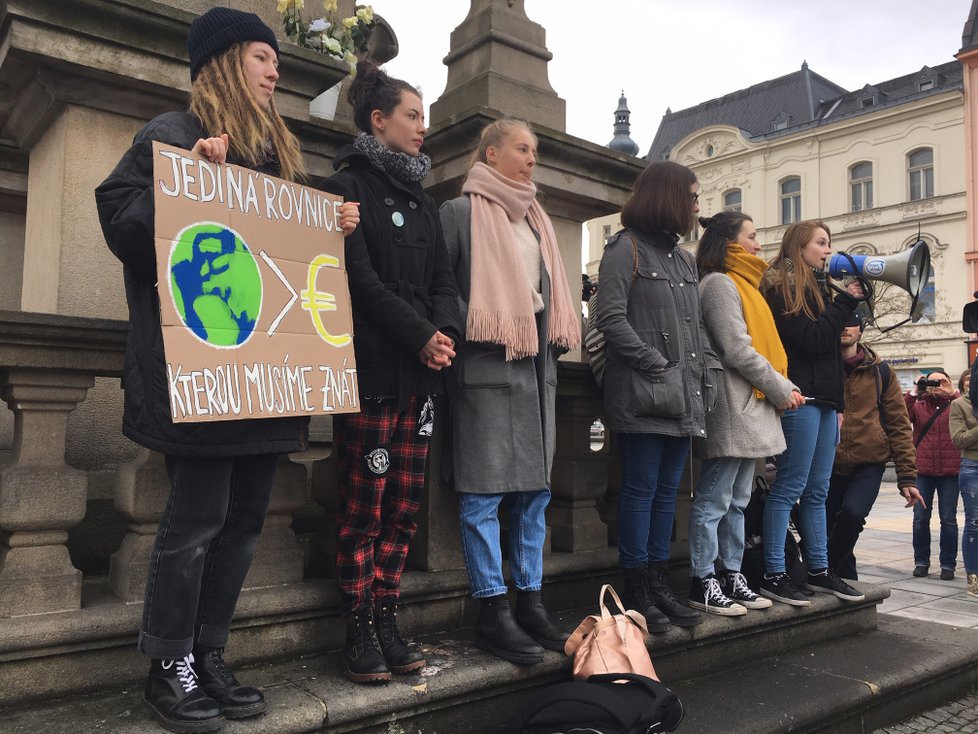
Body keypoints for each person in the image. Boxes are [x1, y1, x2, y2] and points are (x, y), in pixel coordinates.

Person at [95, 9, 358, 732]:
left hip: (263, 381)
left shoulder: (278, 156)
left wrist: (324, 230)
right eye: (260, 57)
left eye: (276, 59)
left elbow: (286, 268)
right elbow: (119, 220)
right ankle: (168, 663)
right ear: (221, 62)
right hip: (202, 377)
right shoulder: (172, 134)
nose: (276, 70)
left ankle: (209, 653)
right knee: (196, 521)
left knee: (243, 523)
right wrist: (182, 184)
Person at [323, 62, 461, 684]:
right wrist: (420, 336)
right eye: (413, 115)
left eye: (424, 117)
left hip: (421, 380)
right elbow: (359, 282)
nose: (423, 127)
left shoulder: (424, 202)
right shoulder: (346, 185)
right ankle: (357, 625)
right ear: (378, 120)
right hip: (373, 372)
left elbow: (444, 282)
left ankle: (387, 616)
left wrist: (445, 335)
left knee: (404, 505)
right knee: (364, 505)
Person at [438, 119, 580, 664]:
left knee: (534, 497)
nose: (532, 159)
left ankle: (530, 602)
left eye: (535, 150)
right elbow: (443, 293)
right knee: (482, 498)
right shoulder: (459, 214)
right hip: (484, 373)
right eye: (523, 148)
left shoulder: (538, 221)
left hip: (536, 376)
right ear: (491, 153)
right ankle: (492, 611)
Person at [594, 160, 721, 631]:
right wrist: (656, 364)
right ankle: (637, 588)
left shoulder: (683, 259)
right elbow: (608, 318)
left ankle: (658, 581)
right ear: (669, 197)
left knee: (668, 493)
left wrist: (703, 367)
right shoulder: (623, 250)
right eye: (691, 196)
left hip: (683, 396)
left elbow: (698, 329)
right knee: (641, 492)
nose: (696, 206)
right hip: (644, 396)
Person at [689, 211, 803, 616]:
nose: (759, 244)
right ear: (730, 242)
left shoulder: (745, 285)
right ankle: (704, 577)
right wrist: (780, 386)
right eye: (752, 236)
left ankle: (731, 573)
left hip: (750, 404)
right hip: (733, 404)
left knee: (737, 499)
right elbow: (736, 348)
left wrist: (776, 387)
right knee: (716, 496)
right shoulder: (719, 284)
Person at [759, 220, 866, 606]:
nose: (827, 250)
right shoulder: (781, 287)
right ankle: (775, 572)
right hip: (800, 397)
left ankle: (819, 569)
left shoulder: (819, 287)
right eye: (820, 243)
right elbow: (815, 339)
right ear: (799, 245)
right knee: (790, 486)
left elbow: (832, 355)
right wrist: (846, 303)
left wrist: (838, 404)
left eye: (828, 243)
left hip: (823, 400)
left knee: (818, 490)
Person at [827, 313, 924, 580]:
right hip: (828, 461)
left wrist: (906, 476)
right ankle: (844, 583)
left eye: (851, 323)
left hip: (868, 461)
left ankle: (820, 573)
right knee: (828, 528)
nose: (845, 327)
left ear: (860, 329)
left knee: (853, 514)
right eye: (841, 321)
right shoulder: (822, 365)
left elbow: (898, 423)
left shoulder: (880, 371)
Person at [906, 370, 961, 579]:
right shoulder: (919, 405)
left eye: (941, 381)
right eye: (932, 382)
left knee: (948, 519)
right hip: (922, 470)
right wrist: (914, 390)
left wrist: (953, 392)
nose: (936, 385)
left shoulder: (956, 403)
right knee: (920, 518)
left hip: (950, 470)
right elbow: (902, 415)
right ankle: (921, 561)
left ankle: (948, 565)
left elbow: (970, 413)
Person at [948, 369, 978, 597]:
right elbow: (959, 440)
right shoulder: (960, 405)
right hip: (973, 466)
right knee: (975, 522)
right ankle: (973, 577)